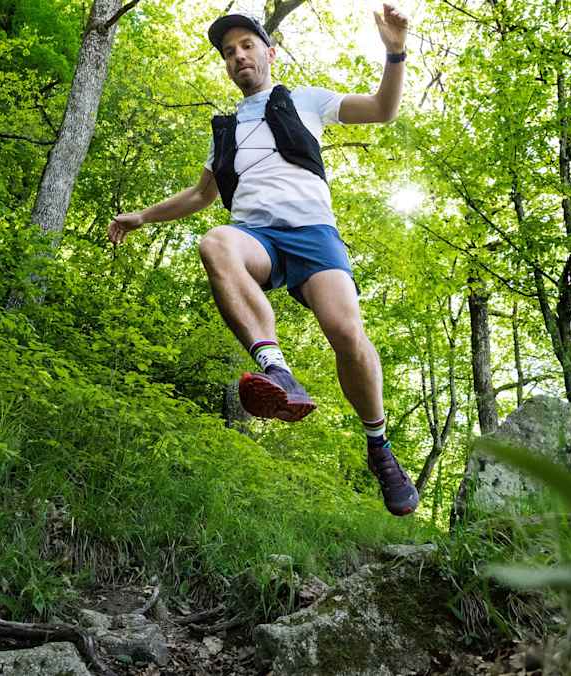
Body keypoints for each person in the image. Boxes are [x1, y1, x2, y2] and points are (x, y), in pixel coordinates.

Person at [108, 5, 418, 516]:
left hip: (313, 233)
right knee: (214, 242)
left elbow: (384, 109)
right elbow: (199, 195)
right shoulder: (226, 131)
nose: (238, 56)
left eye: (246, 46)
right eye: (229, 52)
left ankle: (379, 446)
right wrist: (142, 215)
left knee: (346, 333)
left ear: (269, 53)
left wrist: (395, 48)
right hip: (257, 237)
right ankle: (276, 370)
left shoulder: (305, 101)